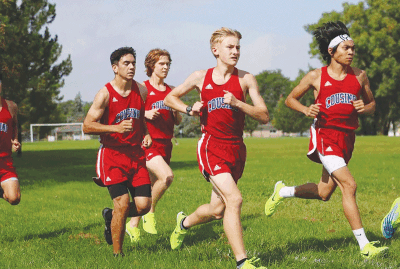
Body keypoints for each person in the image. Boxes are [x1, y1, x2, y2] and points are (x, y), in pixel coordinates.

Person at [264, 21, 388, 259]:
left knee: (323, 192)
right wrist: (305, 109)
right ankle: (365, 247)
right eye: (345, 48)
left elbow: (372, 104)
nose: (351, 52)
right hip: (325, 137)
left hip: (347, 139)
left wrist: (366, 107)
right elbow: (290, 99)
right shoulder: (316, 76)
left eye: (352, 48)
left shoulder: (360, 76)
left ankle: (282, 191)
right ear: (332, 52)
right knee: (349, 186)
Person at [164, 27, 269, 269]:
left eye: (238, 48)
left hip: (236, 148)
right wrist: (190, 109)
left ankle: (183, 224)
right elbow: (170, 98)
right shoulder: (201, 77)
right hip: (211, 145)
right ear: (215, 50)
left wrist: (238, 103)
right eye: (230, 47)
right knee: (235, 199)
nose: (235, 52)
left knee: (217, 210)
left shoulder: (246, 79)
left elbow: (263, 115)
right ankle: (242, 262)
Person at [83, 47, 152, 256]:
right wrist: (115, 128)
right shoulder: (105, 94)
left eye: (133, 63)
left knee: (143, 206)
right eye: (126, 63)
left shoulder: (141, 90)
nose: (131, 67)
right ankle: (118, 254)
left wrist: (146, 134)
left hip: (136, 156)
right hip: (112, 156)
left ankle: (111, 216)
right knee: (122, 205)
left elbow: (141, 120)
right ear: (115, 67)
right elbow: (87, 126)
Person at [126, 49, 182, 243]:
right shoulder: (142, 89)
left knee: (147, 188)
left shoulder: (171, 91)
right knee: (166, 177)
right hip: (147, 143)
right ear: (151, 66)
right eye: (161, 64)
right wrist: (146, 114)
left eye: (168, 64)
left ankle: (131, 225)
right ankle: (150, 213)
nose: (166, 67)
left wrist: (176, 111)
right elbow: (130, 113)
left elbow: (178, 121)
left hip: (166, 145)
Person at [0, 73, 21, 205]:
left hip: (5, 161)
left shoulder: (11, 106)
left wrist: (15, 140)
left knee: (14, 198)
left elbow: (14, 125)